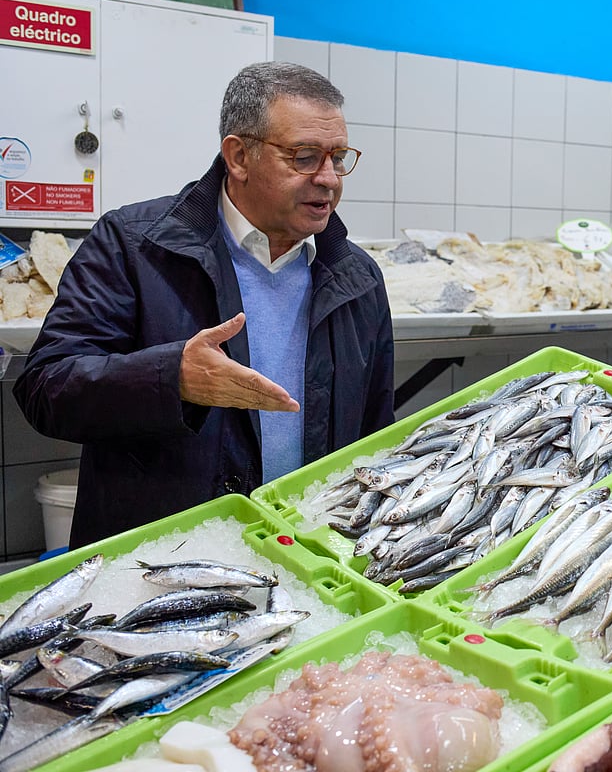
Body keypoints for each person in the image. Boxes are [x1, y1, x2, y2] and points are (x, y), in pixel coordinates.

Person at [15, 61, 396, 547]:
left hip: (308, 560)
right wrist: (171, 378)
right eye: (304, 157)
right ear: (239, 156)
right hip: (159, 562)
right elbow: (46, 389)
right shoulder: (134, 245)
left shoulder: (357, 277)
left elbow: (375, 436)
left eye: (338, 158)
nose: (328, 179)